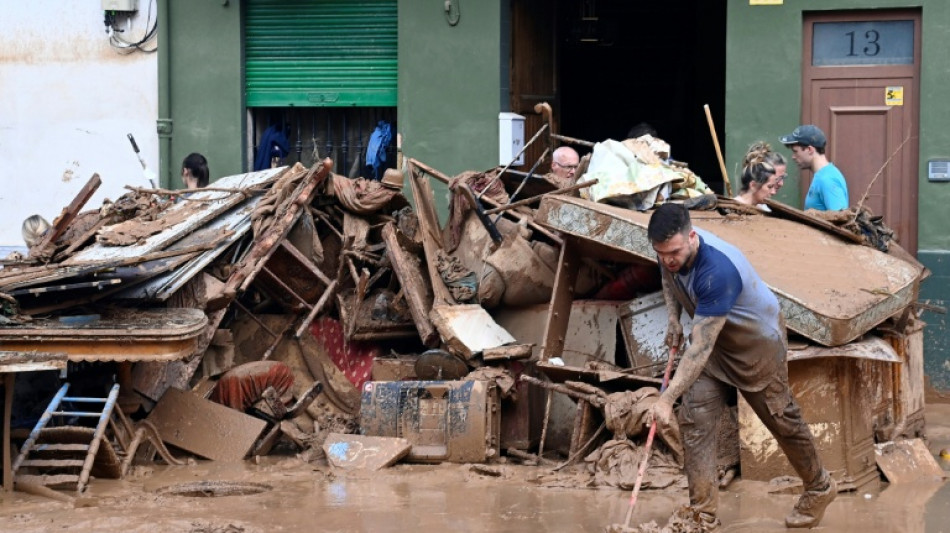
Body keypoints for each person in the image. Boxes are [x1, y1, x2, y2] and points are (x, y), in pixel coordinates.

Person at [646, 203, 836, 530]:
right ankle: (702, 515)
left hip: (756, 347)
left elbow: (698, 349)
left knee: (782, 421)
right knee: (695, 421)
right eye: (661, 253)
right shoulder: (669, 252)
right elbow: (668, 276)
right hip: (716, 348)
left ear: (692, 237)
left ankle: (820, 485)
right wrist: (674, 317)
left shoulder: (717, 271)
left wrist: (665, 398)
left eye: (674, 251)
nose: (668, 259)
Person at [779, 125, 848, 210]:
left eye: (795, 151)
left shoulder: (827, 180)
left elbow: (840, 219)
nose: (793, 156)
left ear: (810, 150)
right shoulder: (822, 175)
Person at [734, 142, 780, 211]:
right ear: (753, 185)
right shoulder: (732, 209)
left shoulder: (764, 211)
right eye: (769, 187)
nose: (773, 192)